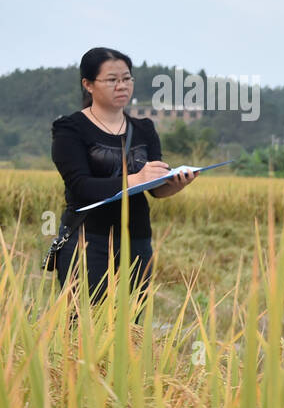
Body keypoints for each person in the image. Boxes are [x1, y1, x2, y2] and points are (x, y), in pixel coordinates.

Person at [50, 47, 197, 306]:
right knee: (83, 327)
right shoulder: (70, 129)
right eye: (112, 80)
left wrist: (174, 184)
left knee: (130, 329)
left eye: (127, 78)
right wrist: (137, 178)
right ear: (88, 84)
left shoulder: (144, 129)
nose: (122, 86)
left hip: (136, 242)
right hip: (88, 242)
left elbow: (154, 189)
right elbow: (81, 186)